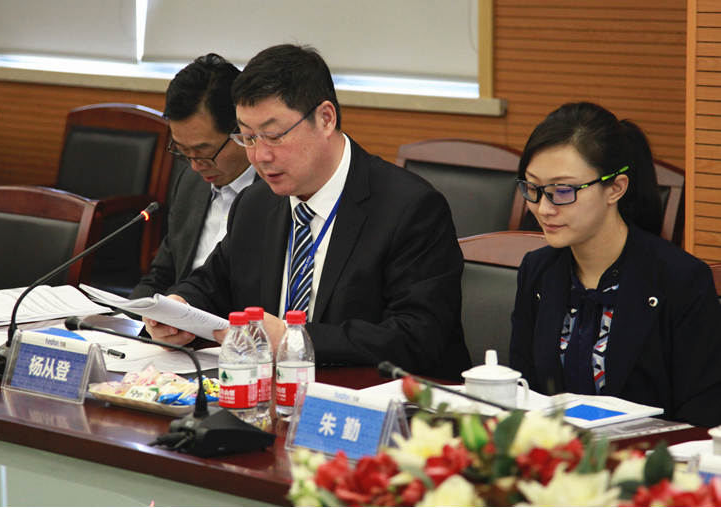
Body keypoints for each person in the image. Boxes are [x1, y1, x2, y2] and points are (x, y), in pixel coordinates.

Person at [145, 44, 471, 380]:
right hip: (271, 393)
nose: (260, 156)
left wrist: (294, 340)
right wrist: (178, 308)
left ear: (325, 119)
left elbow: (417, 337)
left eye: (273, 136)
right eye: (248, 137)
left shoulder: (410, 208)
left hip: (372, 396)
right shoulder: (255, 204)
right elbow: (212, 283)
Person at [509, 102, 721, 427]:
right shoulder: (537, 271)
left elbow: (701, 416)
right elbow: (523, 393)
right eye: (533, 188)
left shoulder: (681, 280)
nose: (543, 209)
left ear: (615, 188)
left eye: (562, 191)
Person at [129, 54, 256, 300]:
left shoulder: (277, 193)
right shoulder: (190, 183)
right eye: (183, 151)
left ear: (242, 131)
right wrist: (125, 315)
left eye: (205, 151)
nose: (196, 166)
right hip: (181, 318)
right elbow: (163, 276)